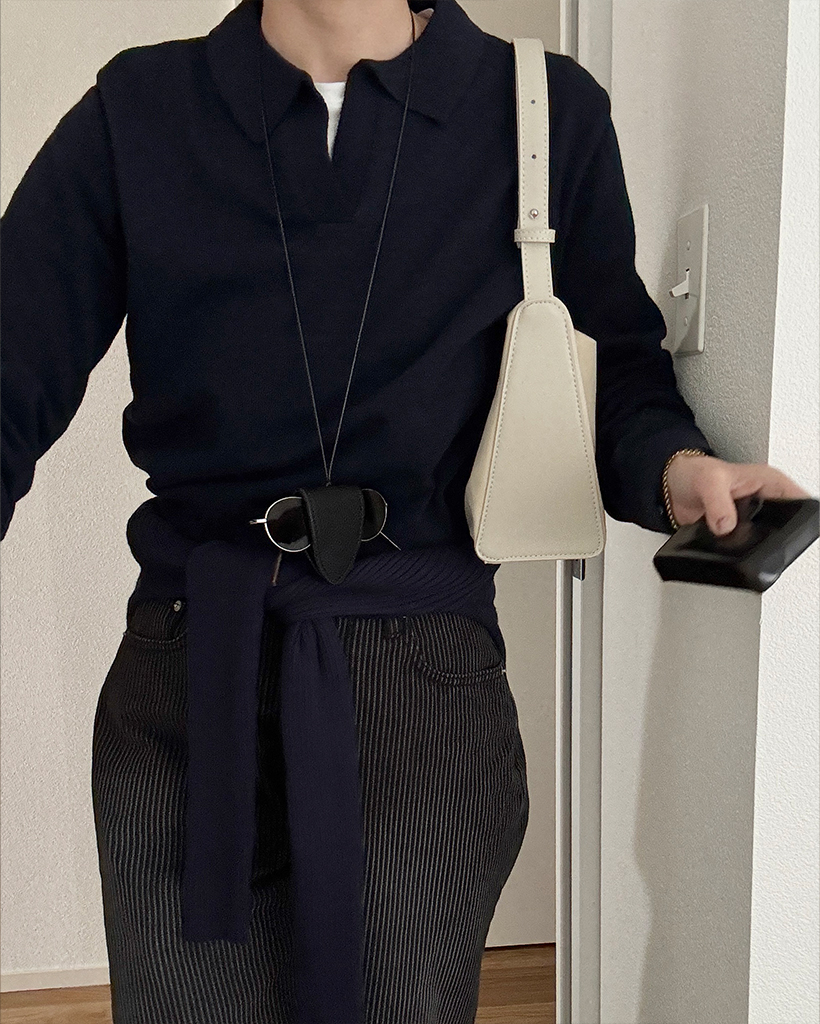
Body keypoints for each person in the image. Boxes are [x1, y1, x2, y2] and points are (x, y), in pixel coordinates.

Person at [0, 1, 810, 1022]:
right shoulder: (141, 111)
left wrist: (675, 467)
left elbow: (613, 374)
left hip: (424, 686)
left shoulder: (540, 112)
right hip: (191, 676)